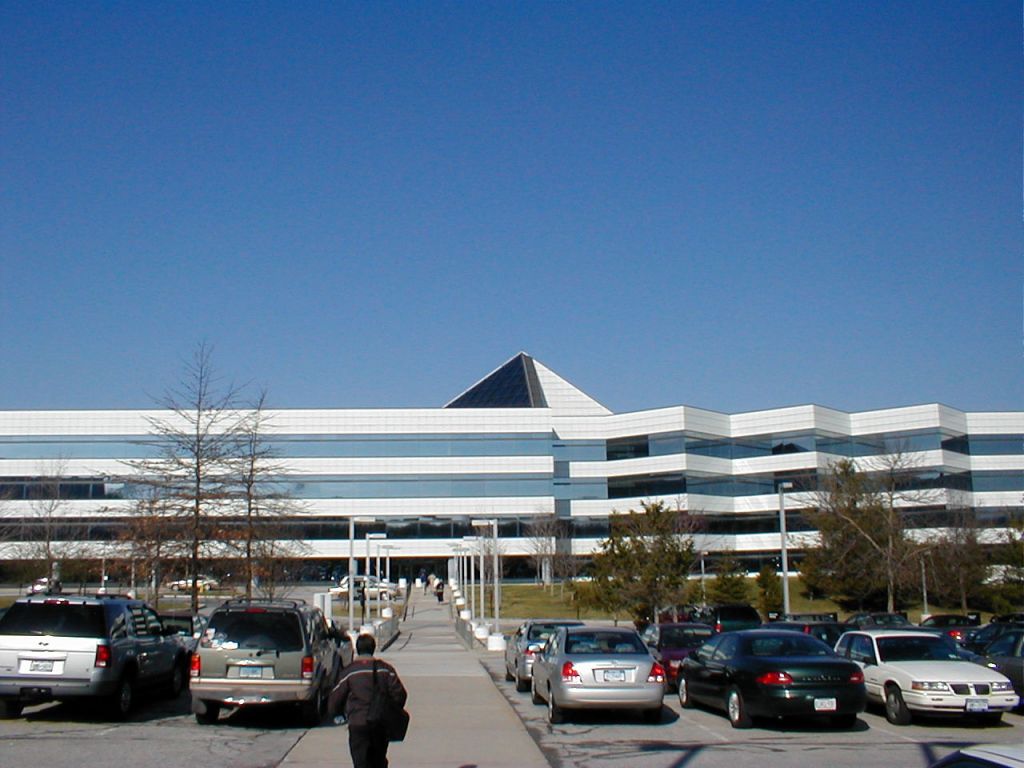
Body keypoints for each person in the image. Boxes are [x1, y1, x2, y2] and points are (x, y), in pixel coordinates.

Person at [329, 633, 407, 768]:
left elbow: (335, 699)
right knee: (379, 762)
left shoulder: (350, 671)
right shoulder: (386, 669)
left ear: (358, 649)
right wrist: (390, 710)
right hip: (380, 724)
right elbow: (400, 694)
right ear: (373, 648)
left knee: (361, 763)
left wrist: (339, 714)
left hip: (358, 723)